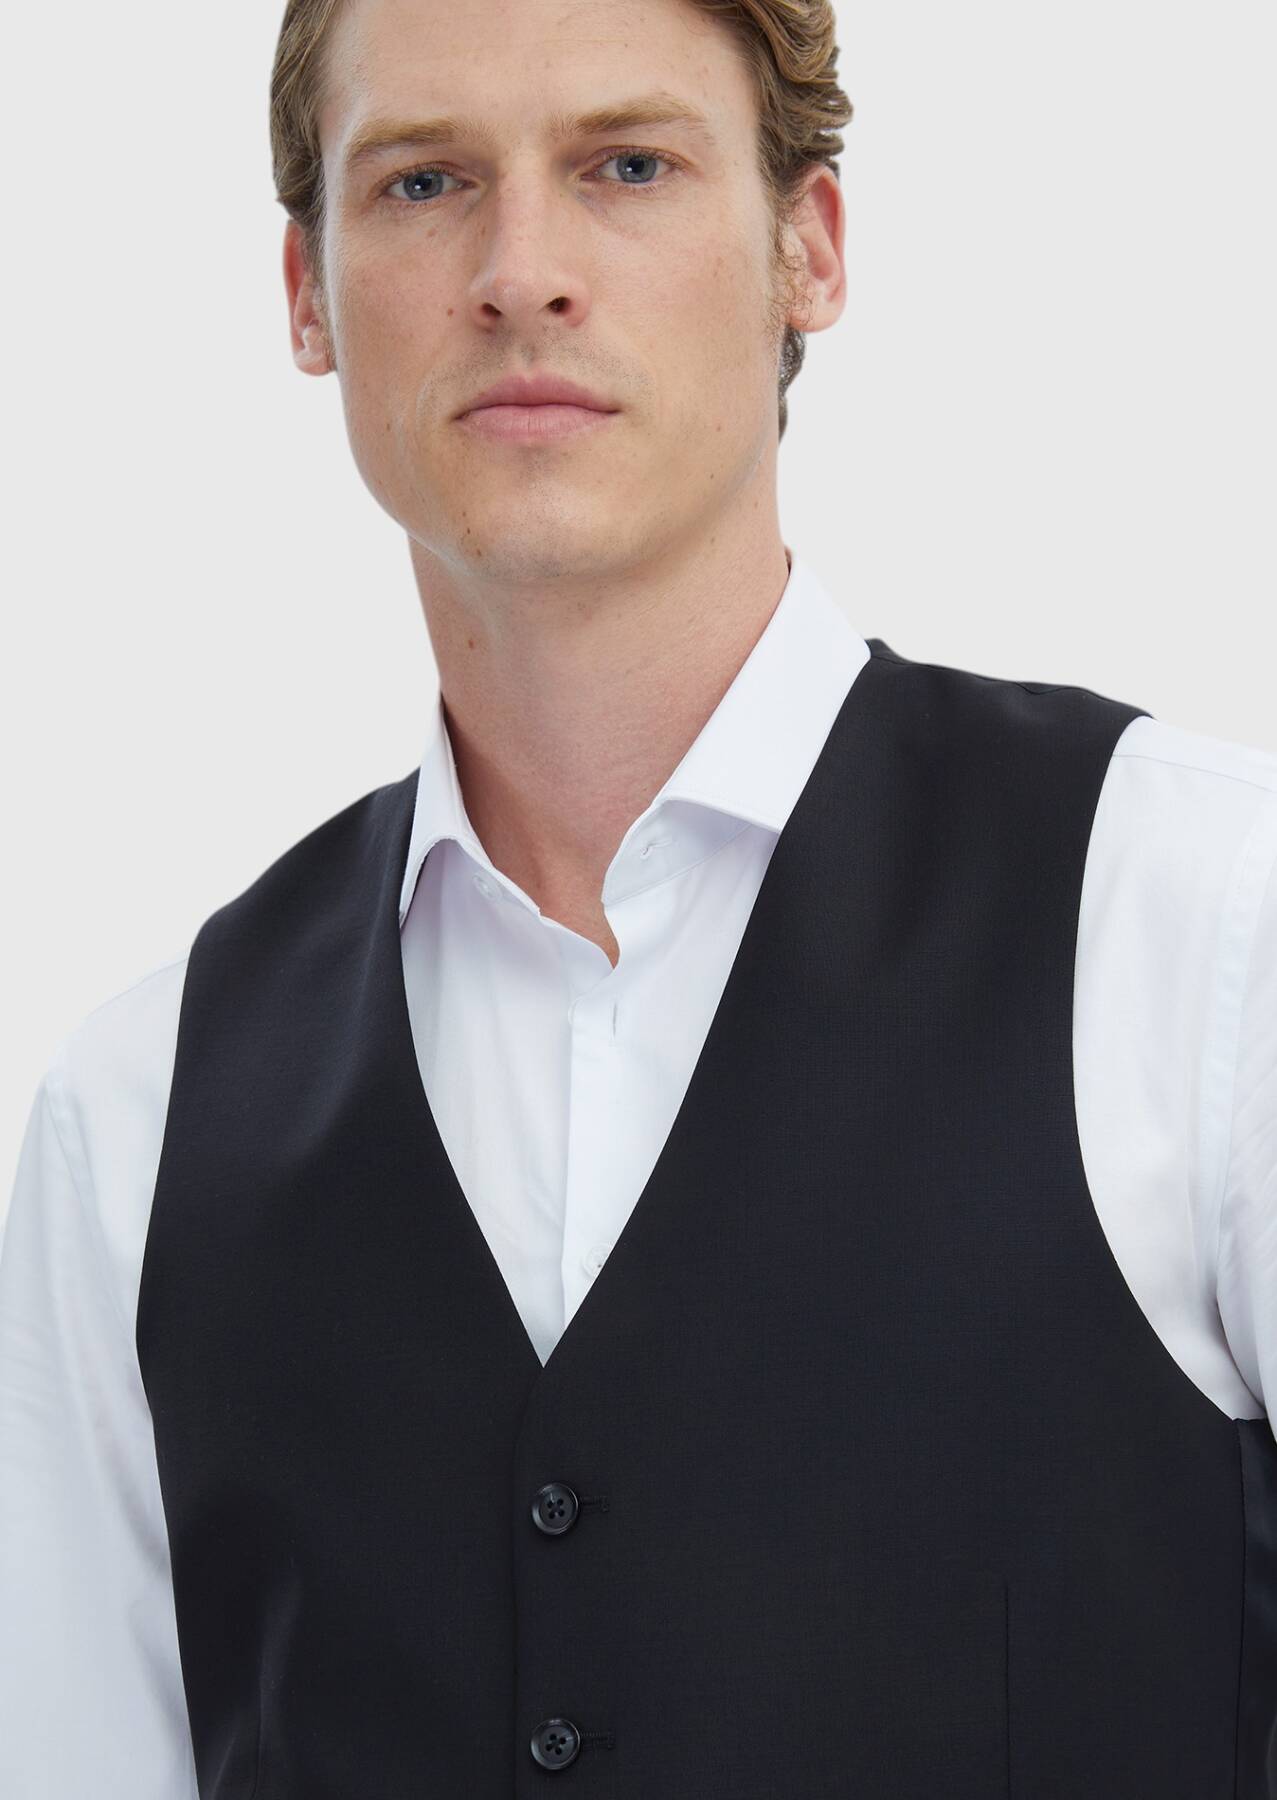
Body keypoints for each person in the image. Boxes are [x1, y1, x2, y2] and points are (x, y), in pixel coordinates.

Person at [2, 0, 1274, 1793]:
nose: (520, 272)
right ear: (307, 293)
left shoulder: (1206, 923)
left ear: (805, 252)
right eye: (424, 181)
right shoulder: (139, 1115)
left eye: (625, 165)